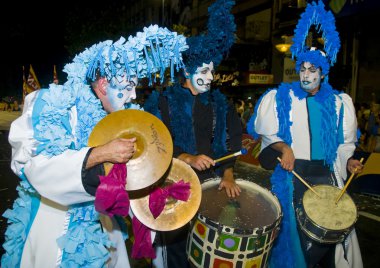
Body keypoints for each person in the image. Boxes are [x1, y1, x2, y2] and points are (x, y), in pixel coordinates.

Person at [0, 25, 188, 267]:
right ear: (102, 85)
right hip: (55, 230)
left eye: (135, 87)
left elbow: (129, 183)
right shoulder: (53, 104)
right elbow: (33, 168)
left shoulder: (123, 119)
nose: (132, 96)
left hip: (105, 230)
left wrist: (154, 189)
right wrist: (99, 154)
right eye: (127, 87)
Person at [247, 1, 363, 268]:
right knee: (295, 241)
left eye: (313, 70)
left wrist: (349, 162)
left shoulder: (339, 102)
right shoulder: (281, 97)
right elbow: (267, 133)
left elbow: (344, 144)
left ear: (323, 73)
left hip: (326, 175)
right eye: (303, 69)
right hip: (294, 175)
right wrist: (283, 148)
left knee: (331, 239)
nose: (306, 74)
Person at [144, 0, 242, 267]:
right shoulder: (163, 102)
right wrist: (187, 157)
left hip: (211, 188)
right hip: (173, 187)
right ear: (187, 71)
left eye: (212, 70)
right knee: (175, 255)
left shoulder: (221, 105)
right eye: (205, 71)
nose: (211, 77)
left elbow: (230, 145)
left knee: (209, 253)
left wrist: (229, 174)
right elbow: (153, 146)